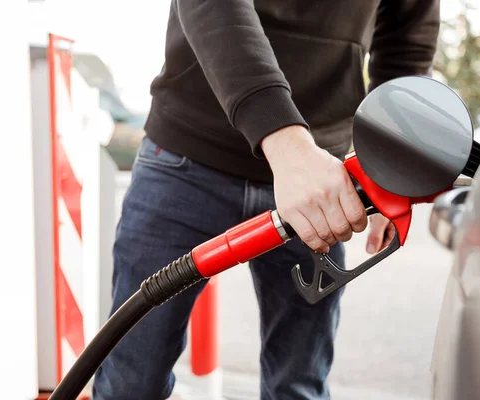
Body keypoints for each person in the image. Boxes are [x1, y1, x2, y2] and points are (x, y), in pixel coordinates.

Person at [92, 1, 440, 399]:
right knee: (131, 382)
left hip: (319, 180)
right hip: (188, 157)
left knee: (298, 386)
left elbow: (405, 48)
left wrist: (387, 167)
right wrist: (287, 146)